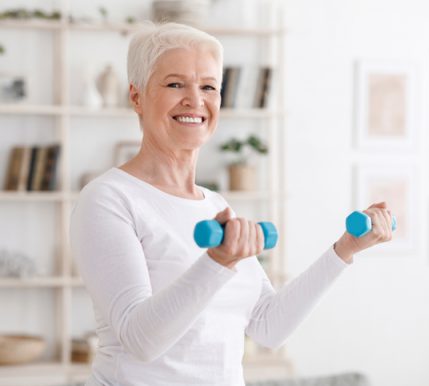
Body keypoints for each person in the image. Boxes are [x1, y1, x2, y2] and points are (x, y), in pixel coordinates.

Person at [70, 22, 394, 386]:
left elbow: (270, 327)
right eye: (175, 84)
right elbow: (141, 340)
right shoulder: (108, 198)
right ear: (137, 97)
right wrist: (218, 261)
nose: (195, 100)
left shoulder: (215, 205)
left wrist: (345, 249)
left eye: (209, 86)